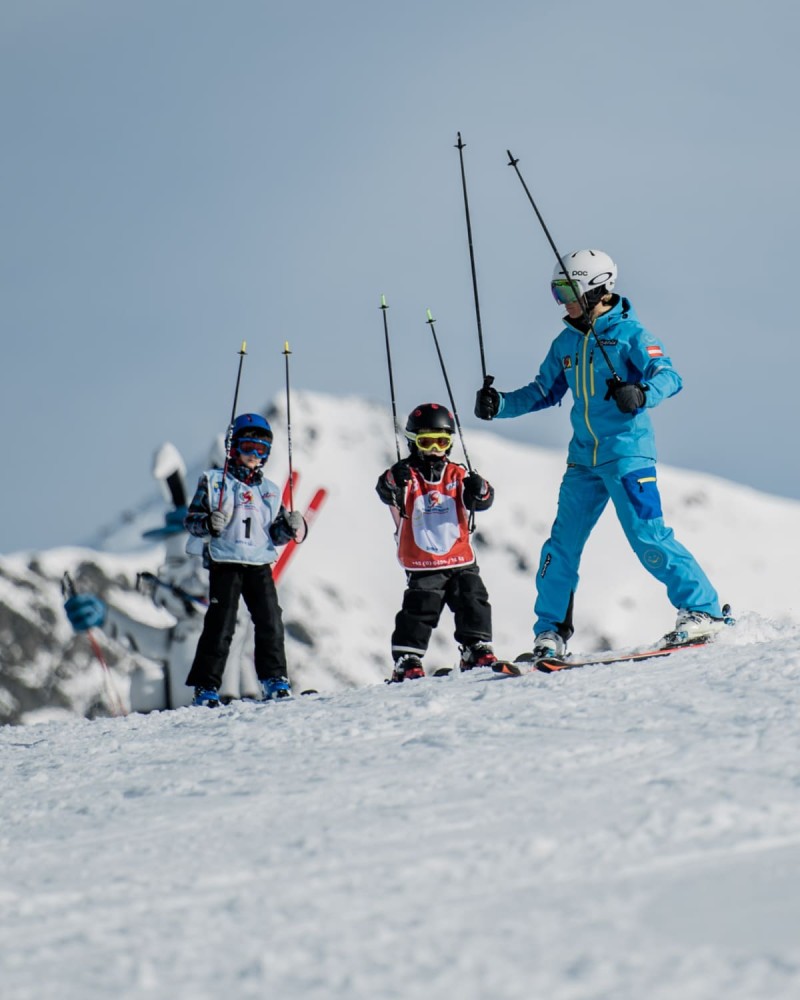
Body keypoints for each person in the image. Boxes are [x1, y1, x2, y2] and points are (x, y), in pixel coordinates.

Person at [474, 248, 729, 662]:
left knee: (647, 536)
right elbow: (543, 391)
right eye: (557, 292)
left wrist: (641, 393)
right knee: (561, 545)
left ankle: (704, 611)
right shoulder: (565, 343)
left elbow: (669, 375)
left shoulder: (630, 334)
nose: (562, 301)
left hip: (628, 454)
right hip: (583, 460)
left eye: (567, 290)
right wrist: (498, 404)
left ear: (596, 288)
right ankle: (550, 633)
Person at [184, 412, 305, 706]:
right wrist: (208, 523)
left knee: (270, 619)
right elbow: (192, 521)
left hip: (258, 563)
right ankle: (206, 686)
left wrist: (288, 527)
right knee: (221, 624)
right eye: (248, 447)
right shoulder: (214, 482)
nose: (253, 455)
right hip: (225, 560)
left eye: (261, 450)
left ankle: (274, 679)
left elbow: (273, 533)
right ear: (233, 446)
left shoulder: (270, 491)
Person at [376, 402, 498, 682]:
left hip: (459, 556)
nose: (434, 449)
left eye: (441, 442)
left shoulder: (457, 473)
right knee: (420, 608)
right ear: (413, 443)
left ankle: (475, 647)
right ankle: (407, 659)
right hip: (423, 559)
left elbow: (482, 499)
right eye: (426, 442)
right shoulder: (407, 475)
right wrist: (394, 480)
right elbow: (385, 489)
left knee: (472, 596)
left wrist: (480, 490)